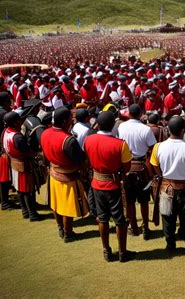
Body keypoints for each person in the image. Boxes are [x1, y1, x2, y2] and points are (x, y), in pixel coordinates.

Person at [84, 111, 133, 262]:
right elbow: (127, 168)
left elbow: (87, 161)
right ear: (113, 125)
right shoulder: (120, 144)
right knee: (119, 220)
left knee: (102, 219)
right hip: (113, 185)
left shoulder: (88, 140)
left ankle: (106, 250)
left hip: (96, 184)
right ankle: (122, 253)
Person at [150, 116, 185, 254]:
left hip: (166, 188)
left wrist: (162, 175)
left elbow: (154, 164)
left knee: (168, 219)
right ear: (183, 130)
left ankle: (170, 245)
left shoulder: (158, 147)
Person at [40, 107, 88, 242]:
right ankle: (68, 233)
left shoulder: (45, 133)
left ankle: (61, 228)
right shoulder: (69, 140)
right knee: (67, 206)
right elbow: (80, 160)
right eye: (69, 119)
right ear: (64, 121)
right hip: (68, 176)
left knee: (56, 204)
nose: (71, 122)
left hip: (54, 172)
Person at [117, 104, 156, 239]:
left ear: (128, 114)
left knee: (129, 200)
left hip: (126, 167)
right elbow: (153, 149)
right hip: (141, 167)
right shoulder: (145, 129)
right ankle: (145, 227)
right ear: (140, 114)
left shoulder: (121, 127)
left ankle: (133, 227)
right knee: (144, 200)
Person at [2, 111, 42, 221]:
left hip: (14, 163)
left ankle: (25, 211)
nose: (21, 122)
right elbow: (28, 152)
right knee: (28, 190)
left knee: (20, 189)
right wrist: (37, 154)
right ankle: (32, 214)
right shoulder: (18, 137)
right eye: (19, 120)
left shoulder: (6, 131)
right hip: (23, 165)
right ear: (15, 123)